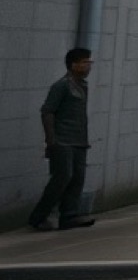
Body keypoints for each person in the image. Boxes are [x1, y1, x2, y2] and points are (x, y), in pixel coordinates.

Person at [29, 48, 96, 231]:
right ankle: (38, 217)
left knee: (77, 178)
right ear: (73, 65)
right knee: (62, 177)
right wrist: (51, 141)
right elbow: (47, 112)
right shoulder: (62, 86)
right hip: (62, 141)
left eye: (89, 62)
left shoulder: (82, 86)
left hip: (79, 141)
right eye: (84, 62)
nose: (88, 66)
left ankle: (69, 216)